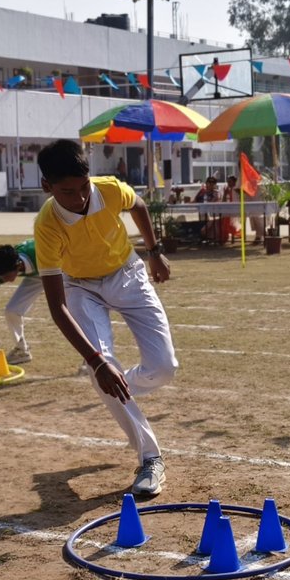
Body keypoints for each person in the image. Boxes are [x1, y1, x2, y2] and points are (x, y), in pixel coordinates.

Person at [33, 138, 176, 500]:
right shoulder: (47, 225)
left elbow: (138, 204)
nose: (80, 198)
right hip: (80, 287)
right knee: (102, 365)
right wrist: (97, 362)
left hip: (128, 274)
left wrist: (154, 251)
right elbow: (57, 306)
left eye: (84, 187)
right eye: (67, 192)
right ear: (47, 186)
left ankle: (114, 385)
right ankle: (150, 458)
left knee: (164, 368)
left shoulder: (109, 189)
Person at [0, 240, 42, 363]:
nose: (2, 279)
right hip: (37, 274)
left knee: (71, 308)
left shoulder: (39, 255)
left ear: (18, 266)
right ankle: (22, 350)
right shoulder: (4, 267)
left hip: (60, 267)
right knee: (12, 311)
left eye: (5, 276)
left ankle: (83, 352)